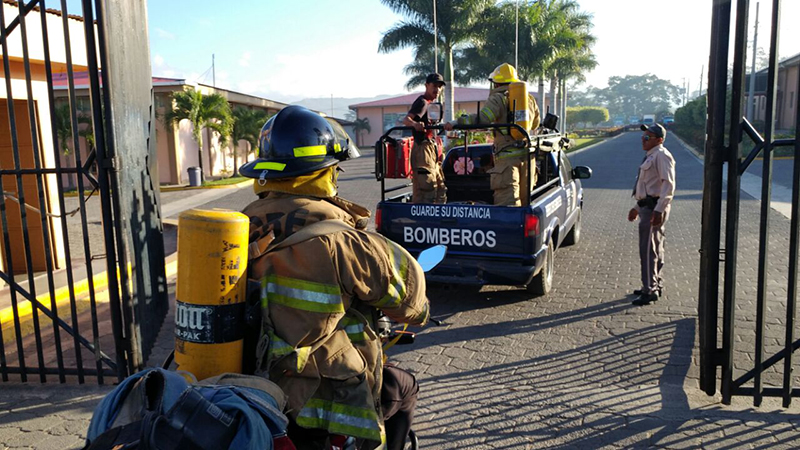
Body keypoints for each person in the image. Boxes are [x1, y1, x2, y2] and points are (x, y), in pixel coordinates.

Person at [238, 105, 430, 450]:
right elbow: (411, 303)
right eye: (335, 169)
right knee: (404, 387)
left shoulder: (236, 230)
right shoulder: (339, 239)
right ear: (323, 173)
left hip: (249, 390)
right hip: (318, 402)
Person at [446, 63, 540, 206]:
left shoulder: (498, 98)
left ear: (496, 84)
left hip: (506, 163)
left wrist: (456, 122)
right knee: (526, 204)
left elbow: (482, 119)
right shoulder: (529, 99)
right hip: (527, 158)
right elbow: (535, 124)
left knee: (508, 207)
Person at [627, 123, 676, 306]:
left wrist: (659, 210)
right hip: (648, 207)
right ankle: (654, 283)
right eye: (643, 137)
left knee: (648, 250)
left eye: (647, 137)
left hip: (654, 208)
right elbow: (648, 188)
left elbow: (668, 185)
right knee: (655, 247)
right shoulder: (652, 156)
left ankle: (649, 290)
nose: (643, 139)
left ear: (659, 140)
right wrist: (637, 208)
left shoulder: (662, 156)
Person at [403, 73, 447, 204]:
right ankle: (423, 220)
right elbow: (406, 119)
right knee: (426, 189)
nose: (437, 90)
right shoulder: (422, 102)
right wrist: (415, 124)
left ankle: (438, 218)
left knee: (440, 188)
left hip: (431, 148)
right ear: (426, 85)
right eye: (434, 86)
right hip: (423, 149)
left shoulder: (432, 104)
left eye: (440, 87)